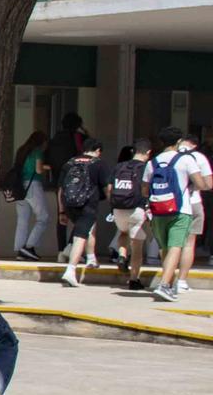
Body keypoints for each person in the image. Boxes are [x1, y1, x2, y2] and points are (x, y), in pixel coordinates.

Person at [145, 127, 208, 303]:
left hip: (158, 210)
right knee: (175, 247)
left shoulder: (153, 162)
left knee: (165, 248)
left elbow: (144, 189)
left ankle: (169, 283)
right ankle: (165, 285)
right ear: (178, 142)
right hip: (181, 210)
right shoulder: (186, 160)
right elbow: (201, 184)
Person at [55, 136, 105, 288]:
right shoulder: (98, 164)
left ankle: (90, 258)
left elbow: (60, 189)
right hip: (87, 205)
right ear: (97, 150)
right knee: (80, 237)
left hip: (69, 205)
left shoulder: (70, 163)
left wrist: (61, 212)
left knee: (86, 230)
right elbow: (107, 186)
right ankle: (71, 270)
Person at [111, 138, 152, 289]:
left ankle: (122, 255)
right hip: (137, 209)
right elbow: (147, 189)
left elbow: (110, 188)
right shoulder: (146, 167)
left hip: (118, 208)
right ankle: (134, 279)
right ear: (148, 153)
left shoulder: (120, 166)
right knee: (137, 246)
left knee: (123, 232)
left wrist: (113, 205)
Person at [7, 130, 50, 261]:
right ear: (41, 142)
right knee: (43, 217)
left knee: (22, 220)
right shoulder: (37, 152)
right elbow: (38, 169)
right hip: (33, 186)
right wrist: (46, 168)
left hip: (20, 187)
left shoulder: (21, 150)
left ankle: (19, 249)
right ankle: (29, 246)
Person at [180, 134, 211, 283]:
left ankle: (166, 279)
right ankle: (181, 281)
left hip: (169, 204)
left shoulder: (166, 156)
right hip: (193, 203)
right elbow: (208, 184)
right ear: (195, 145)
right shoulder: (199, 157)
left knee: (170, 244)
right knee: (188, 243)